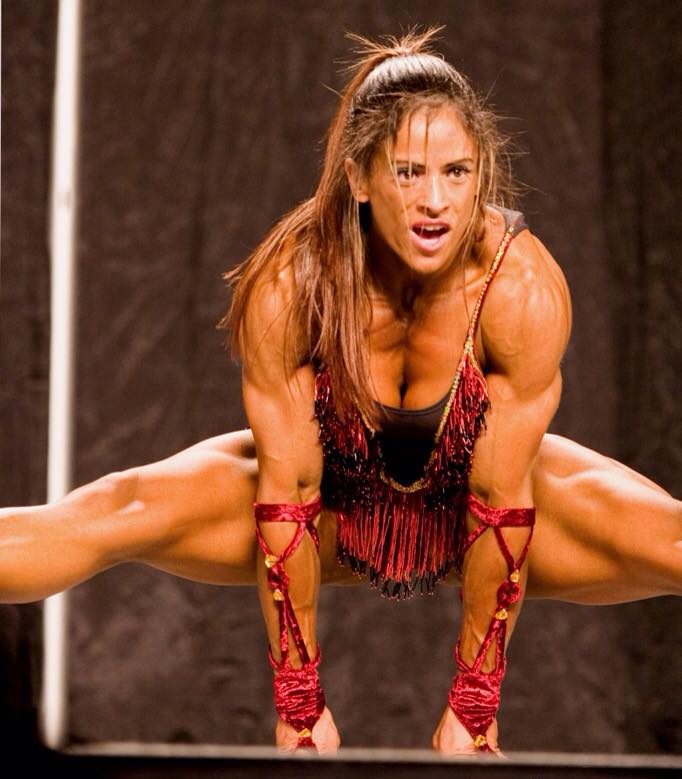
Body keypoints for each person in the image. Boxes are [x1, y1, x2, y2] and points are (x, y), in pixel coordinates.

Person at [1, 29, 680, 756]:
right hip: (331, 509)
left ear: (481, 173)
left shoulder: (520, 290)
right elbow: (289, 495)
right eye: (409, 172)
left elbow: (500, 501)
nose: (435, 201)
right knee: (115, 510)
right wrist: (299, 706)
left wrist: (474, 707)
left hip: (470, 518)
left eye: (457, 172)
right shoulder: (292, 284)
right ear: (359, 177)